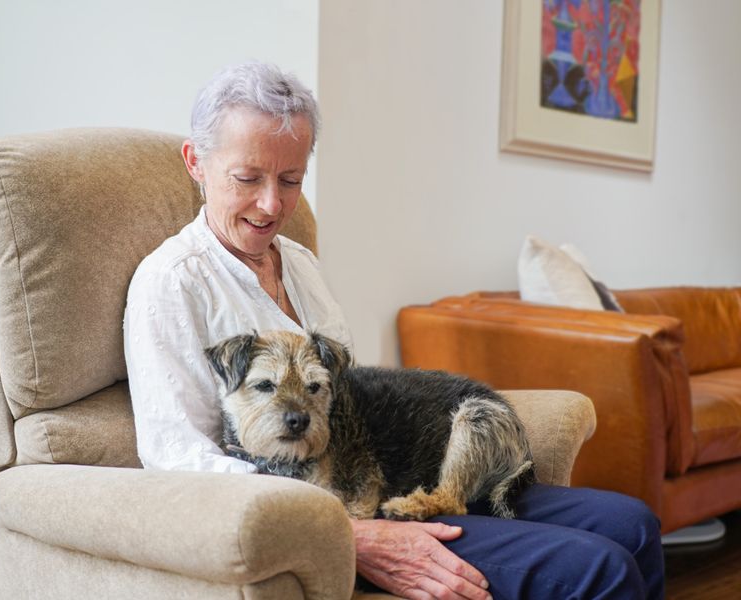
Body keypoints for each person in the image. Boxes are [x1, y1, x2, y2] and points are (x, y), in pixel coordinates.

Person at [124, 62, 664, 600]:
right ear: (196, 163)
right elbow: (179, 461)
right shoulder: (172, 284)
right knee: (600, 567)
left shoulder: (299, 263)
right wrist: (348, 535)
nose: (272, 205)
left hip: (391, 477)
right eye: (247, 179)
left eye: (290, 181)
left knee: (634, 524)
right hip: (325, 516)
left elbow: (352, 396)